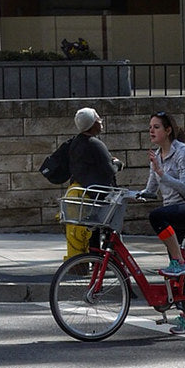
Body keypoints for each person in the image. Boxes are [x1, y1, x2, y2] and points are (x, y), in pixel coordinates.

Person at [140, 111, 185, 335]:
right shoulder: (157, 155)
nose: (151, 130)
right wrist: (129, 195)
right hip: (174, 213)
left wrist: (162, 173)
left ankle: (179, 262)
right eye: (150, 127)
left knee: (156, 217)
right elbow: (150, 190)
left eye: (156, 127)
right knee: (176, 273)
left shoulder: (183, 152)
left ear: (168, 130)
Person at [65, 107, 123, 260]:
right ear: (92, 124)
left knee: (93, 229)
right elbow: (110, 169)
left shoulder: (76, 142)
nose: (100, 121)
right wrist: (118, 163)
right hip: (99, 194)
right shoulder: (95, 144)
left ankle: (94, 257)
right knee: (111, 225)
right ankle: (108, 259)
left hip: (84, 192)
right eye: (98, 119)